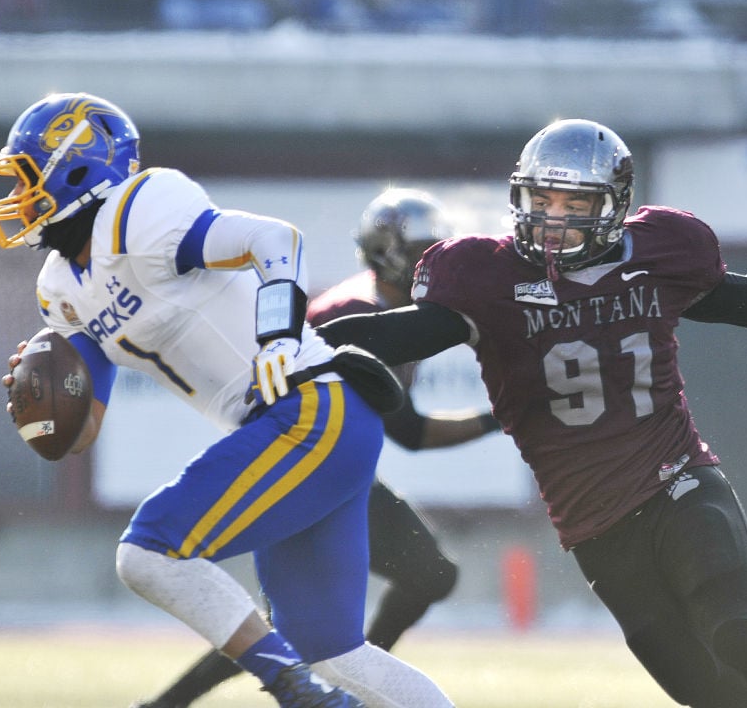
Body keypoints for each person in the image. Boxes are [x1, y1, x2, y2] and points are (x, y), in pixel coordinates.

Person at [315, 118, 747, 708]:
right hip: (590, 523)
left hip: (677, 482)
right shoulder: (486, 280)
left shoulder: (656, 256)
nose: (552, 218)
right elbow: (405, 331)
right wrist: (293, 343)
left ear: (611, 207)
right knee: (704, 690)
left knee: (739, 636)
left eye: (573, 202)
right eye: (540, 200)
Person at [0, 92, 455, 708]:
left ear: (78, 166)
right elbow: (82, 430)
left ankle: (300, 695)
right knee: (337, 652)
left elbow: (274, 240)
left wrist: (280, 334)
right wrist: (42, 402)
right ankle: (312, 686)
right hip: (313, 423)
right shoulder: (58, 290)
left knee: (148, 551)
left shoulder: (137, 214)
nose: (17, 199)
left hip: (311, 408)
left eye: (27, 178)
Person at [131, 187, 501, 708]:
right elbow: (409, 431)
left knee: (408, 585)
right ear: (387, 252)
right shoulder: (355, 312)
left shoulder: (397, 310)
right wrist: (502, 417)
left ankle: (340, 679)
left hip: (335, 461)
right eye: (420, 252)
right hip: (303, 452)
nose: (428, 264)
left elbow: (409, 432)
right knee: (298, 625)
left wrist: (497, 419)